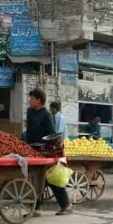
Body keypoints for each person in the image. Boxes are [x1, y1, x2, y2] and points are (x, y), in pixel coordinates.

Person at [25, 88, 72, 216]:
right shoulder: (29, 111)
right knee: (35, 179)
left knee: (51, 178)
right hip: (31, 149)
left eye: (32, 98)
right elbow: (29, 130)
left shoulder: (46, 114)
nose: (30, 100)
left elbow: (52, 133)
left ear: (39, 101)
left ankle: (66, 205)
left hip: (45, 150)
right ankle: (37, 208)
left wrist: (47, 144)